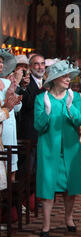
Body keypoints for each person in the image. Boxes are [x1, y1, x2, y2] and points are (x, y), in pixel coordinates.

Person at [34, 59, 81, 237]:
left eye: (69, 76)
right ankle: (46, 224)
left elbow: (79, 121)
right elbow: (38, 126)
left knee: (69, 184)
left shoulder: (74, 97)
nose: (68, 79)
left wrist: (71, 109)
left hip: (70, 147)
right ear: (55, 78)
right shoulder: (41, 98)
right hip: (49, 148)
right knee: (48, 184)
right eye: (64, 76)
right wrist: (47, 112)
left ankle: (69, 218)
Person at [0, 49, 22, 190]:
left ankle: (10, 202)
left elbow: (17, 108)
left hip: (9, 127)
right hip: (2, 123)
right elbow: (6, 106)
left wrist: (15, 100)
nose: (0, 65)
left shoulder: (6, 82)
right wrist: (6, 105)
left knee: (11, 166)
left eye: (1, 62)